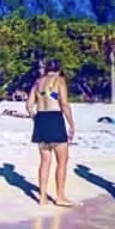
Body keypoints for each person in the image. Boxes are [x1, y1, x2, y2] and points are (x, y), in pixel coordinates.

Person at [26, 59, 75, 206]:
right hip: (54, 119)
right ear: (59, 70)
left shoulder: (38, 82)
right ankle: (60, 196)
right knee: (62, 161)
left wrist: (35, 118)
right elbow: (64, 104)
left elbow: (29, 105)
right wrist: (71, 124)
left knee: (45, 162)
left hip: (41, 119)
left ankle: (42, 197)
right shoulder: (59, 80)